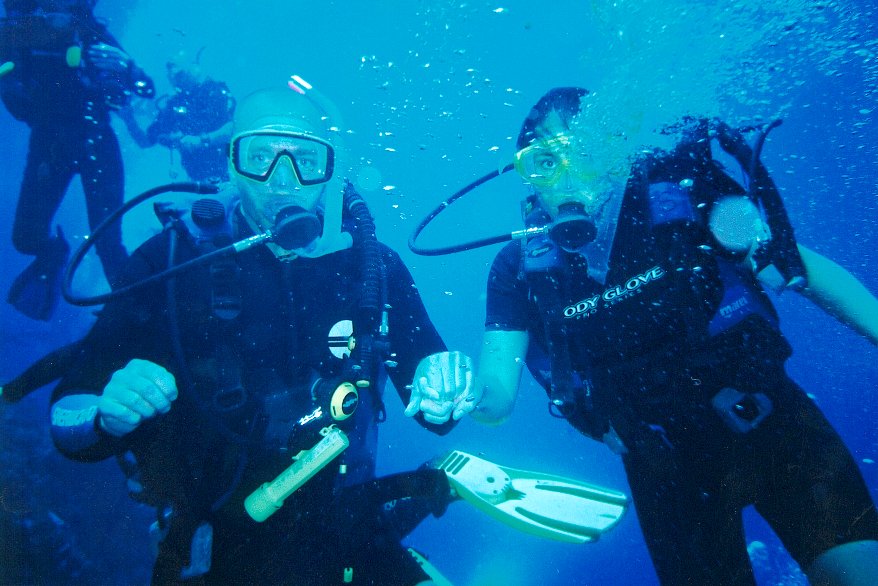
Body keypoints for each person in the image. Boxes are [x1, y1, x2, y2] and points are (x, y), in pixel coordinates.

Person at [406, 87, 878, 584]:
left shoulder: (682, 195)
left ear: (617, 149)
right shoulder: (519, 269)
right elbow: (496, 399)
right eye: (545, 162)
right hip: (666, 471)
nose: (568, 175)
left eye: (584, 153)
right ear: (528, 176)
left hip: (777, 429)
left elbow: (797, 269)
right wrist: (458, 391)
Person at [48, 83, 506, 585]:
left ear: (331, 169)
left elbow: (434, 411)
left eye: (305, 159)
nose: (282, 180)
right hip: (210, 537)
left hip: (343, 523)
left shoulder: (374, 270)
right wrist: (105, 415)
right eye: (260, 156)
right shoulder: (171, 263)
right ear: (229, 163)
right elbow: (67, 424)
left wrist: (446, 383)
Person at [0, 0, 155, 320]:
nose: (52, 20)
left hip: (95, 140)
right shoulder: (14, 36)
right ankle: (55, 254)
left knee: (108, 244)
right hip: (47, 143)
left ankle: (140, 316)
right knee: (25, 237)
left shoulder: (87, 31)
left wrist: (128, 68)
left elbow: (146, 89)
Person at [120, 58, 234, 184]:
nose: (177, 80)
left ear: (193, 70)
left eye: (180, 74)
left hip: (228, 175)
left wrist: (200, 141)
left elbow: (233, 129)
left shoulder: (215, 92)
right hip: (196, 181)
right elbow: (145, 141)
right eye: (172, 77)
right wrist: (129, 119)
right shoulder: (173, 106)